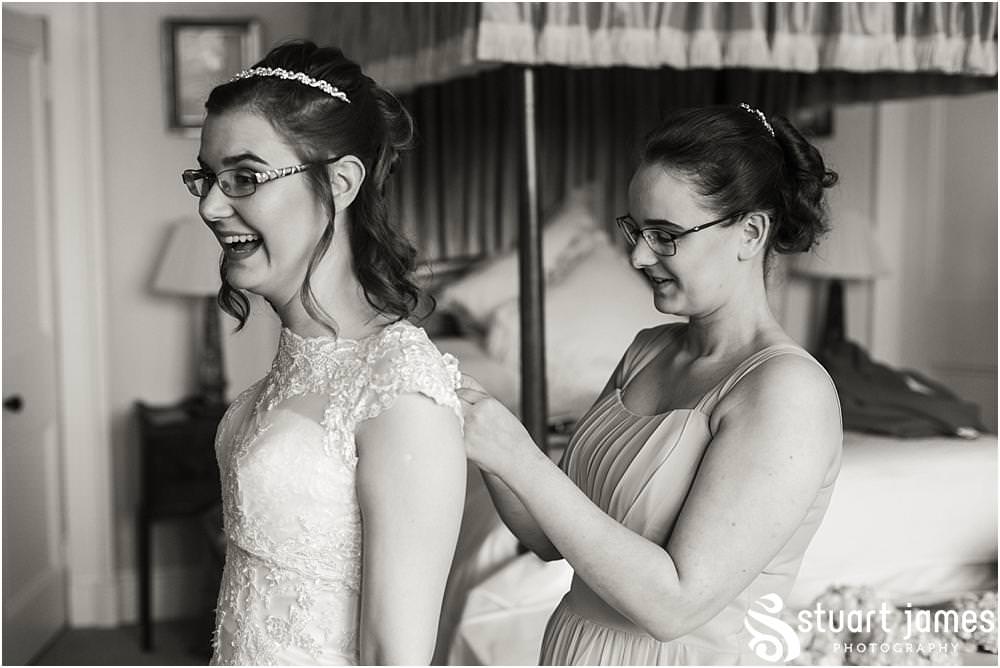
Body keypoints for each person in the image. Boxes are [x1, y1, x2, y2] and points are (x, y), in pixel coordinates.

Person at [458, 104, 843, 665]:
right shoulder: (648, 349)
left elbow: (675, 608)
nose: (639, 255)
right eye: (636, 230)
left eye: (665, 235)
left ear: (751, 233)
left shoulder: (787, 391)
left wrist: (521, 458)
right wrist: (479, 423)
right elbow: (548, 537)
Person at [183, 41, 466, 665]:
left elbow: (395, 655)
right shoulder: (296, 362)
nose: (209, 205)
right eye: (206, 177)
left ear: (339, 182)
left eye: (245, 177)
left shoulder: (399, 391)